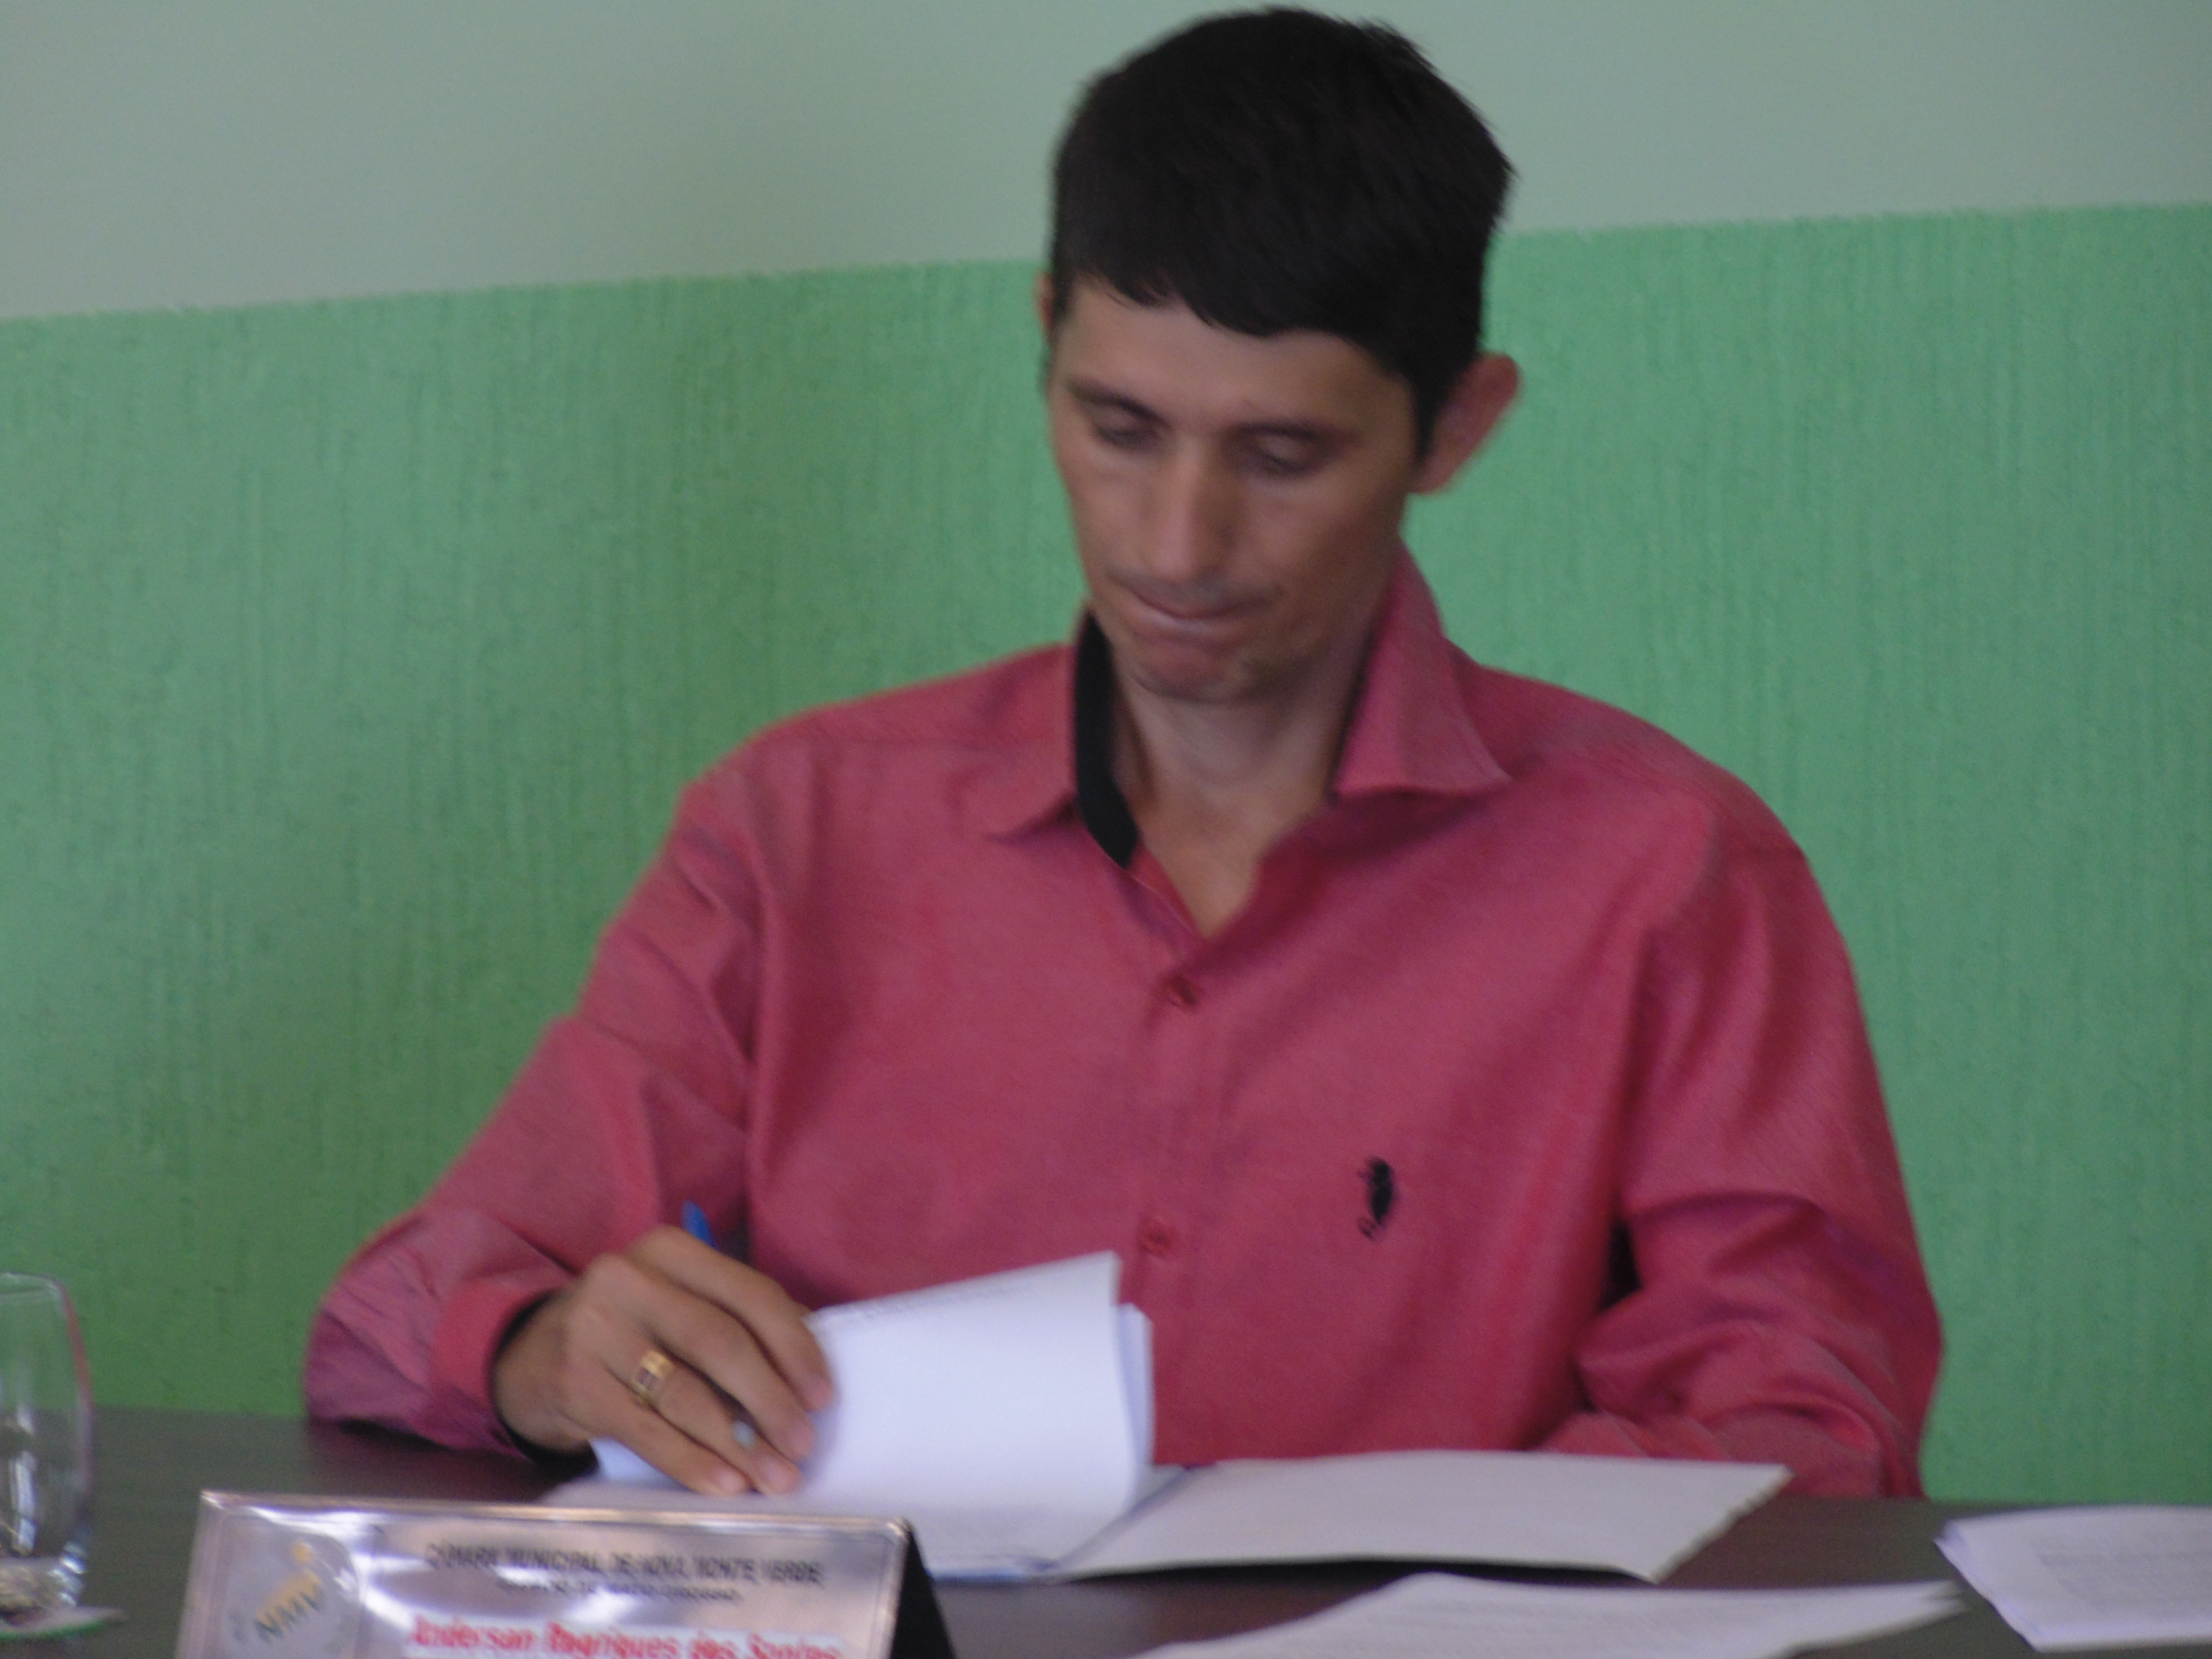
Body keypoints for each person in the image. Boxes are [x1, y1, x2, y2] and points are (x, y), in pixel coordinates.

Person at [307, 8, 1941, 1500]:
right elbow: (389, 1324)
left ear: (1456, 426)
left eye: (1281, 455)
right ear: (1044, 341)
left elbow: (1809, 1436)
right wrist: (546, 1355)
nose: (1176, 544)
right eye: (1119, 428)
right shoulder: (795, 832)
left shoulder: (1667, 875)